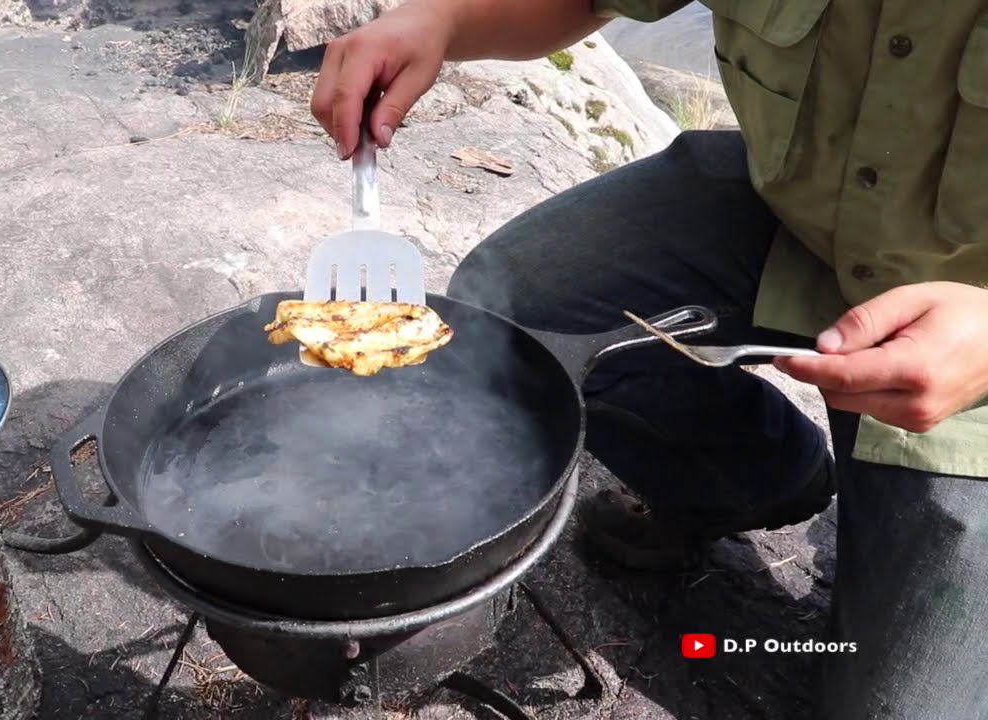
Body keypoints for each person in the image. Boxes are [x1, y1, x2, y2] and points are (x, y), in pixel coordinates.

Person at [310, 1, 988, 718]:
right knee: (513, 320)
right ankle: (759, 480)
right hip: (796, 217)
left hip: (971, 327)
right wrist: (440, 22)